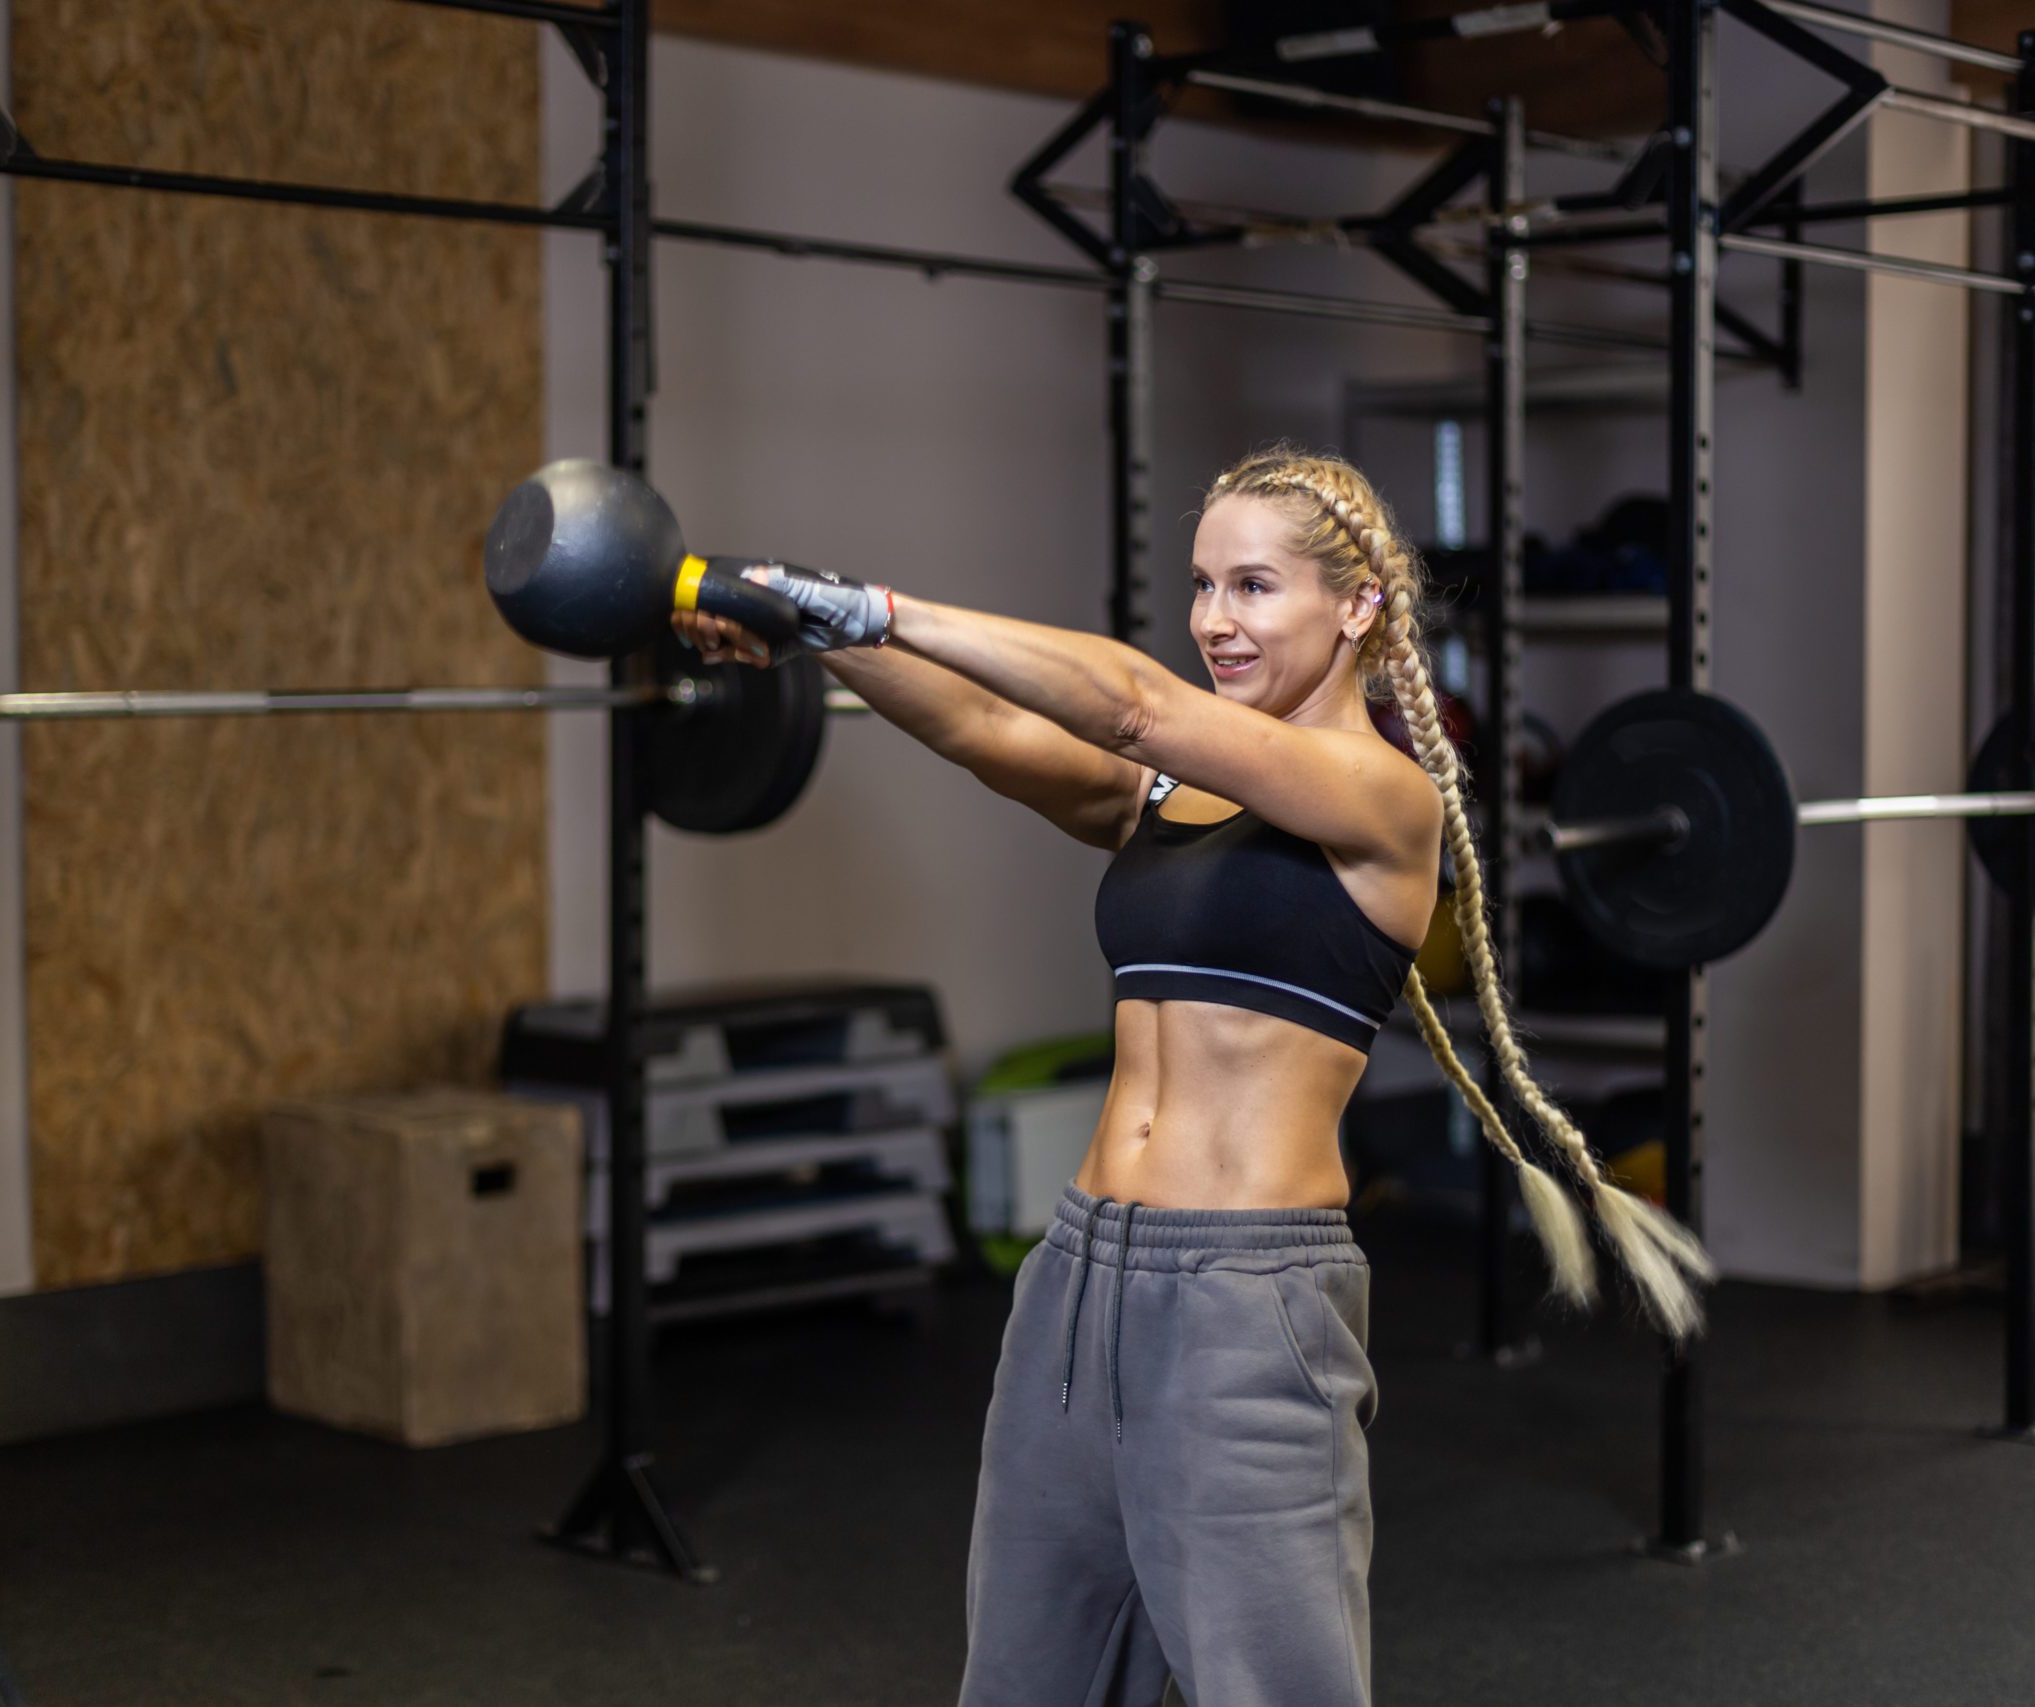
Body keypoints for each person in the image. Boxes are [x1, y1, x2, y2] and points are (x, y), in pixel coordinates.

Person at [673, 446, 1710, 1706]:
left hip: (1244, 1303)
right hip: (1075, 1284)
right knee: (1024, 1680)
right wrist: (808, 632)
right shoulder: (1169, 794)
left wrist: (878, 604)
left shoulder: (1384, 800)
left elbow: (1133, 703)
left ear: (1359, 604)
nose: (1216, 620)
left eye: (1256, 587)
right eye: (1203, 585)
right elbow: (991, 729)